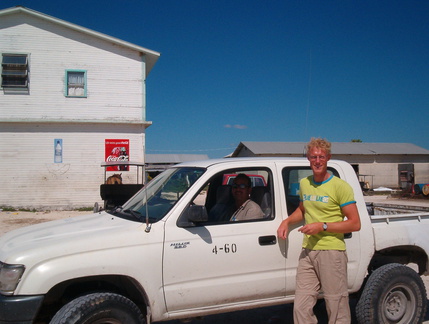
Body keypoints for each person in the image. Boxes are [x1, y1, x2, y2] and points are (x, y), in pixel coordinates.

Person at [277, 138, 361, 324]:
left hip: (331, 251)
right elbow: (303, 209)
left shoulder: (340, 187)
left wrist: (322, 226)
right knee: (301, 306)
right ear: (308, 158)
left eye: (321, 157)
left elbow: (355, 223)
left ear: (328, 158)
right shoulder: (305, 183)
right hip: (308, 251)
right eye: (314, 157)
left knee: (336, 306)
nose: (317, 161)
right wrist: (286, 221)